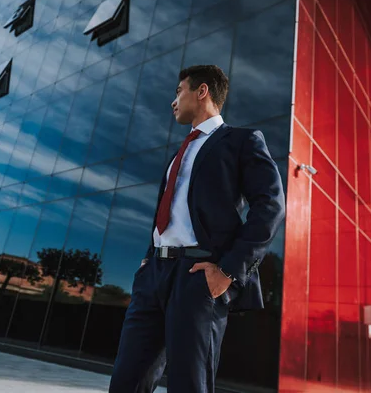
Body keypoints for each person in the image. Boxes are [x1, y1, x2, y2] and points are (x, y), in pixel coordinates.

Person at [108, 65, 286, 393]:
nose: (173, 101)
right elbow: (171, 214)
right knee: (125, 381)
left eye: (179, 91)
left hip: (198, 277)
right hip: (154, 276)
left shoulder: (241, 141)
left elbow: (271, 206)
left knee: (189, 384)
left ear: (202, 91)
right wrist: (149, 262)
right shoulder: (178, 154)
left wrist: (229, 271)